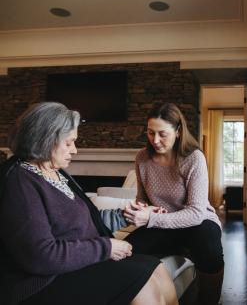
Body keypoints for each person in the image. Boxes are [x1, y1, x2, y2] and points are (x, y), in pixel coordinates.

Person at [0, 102, 178, 305]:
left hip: (71, 265)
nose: (75, 150)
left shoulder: (56, 173)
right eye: (69, 143)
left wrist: (125, 215)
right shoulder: (20, 181)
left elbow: (81, 220)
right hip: (41, 282)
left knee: (156, 267)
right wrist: (106, 247)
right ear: (45, 140)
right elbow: (40, 257)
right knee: (141, 282)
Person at [123, 103, 224, 305]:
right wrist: (141, 208)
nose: (156, 140)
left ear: (178, 131)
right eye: (151, 133)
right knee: (126, 250)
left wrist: (151, 217)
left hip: (197, 223)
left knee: (210, 248)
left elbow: (196, 212)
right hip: (162, 224)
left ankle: (209, 301)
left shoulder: (193, 158)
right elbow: (143, 198)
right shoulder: (142, 157)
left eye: (162, 134)